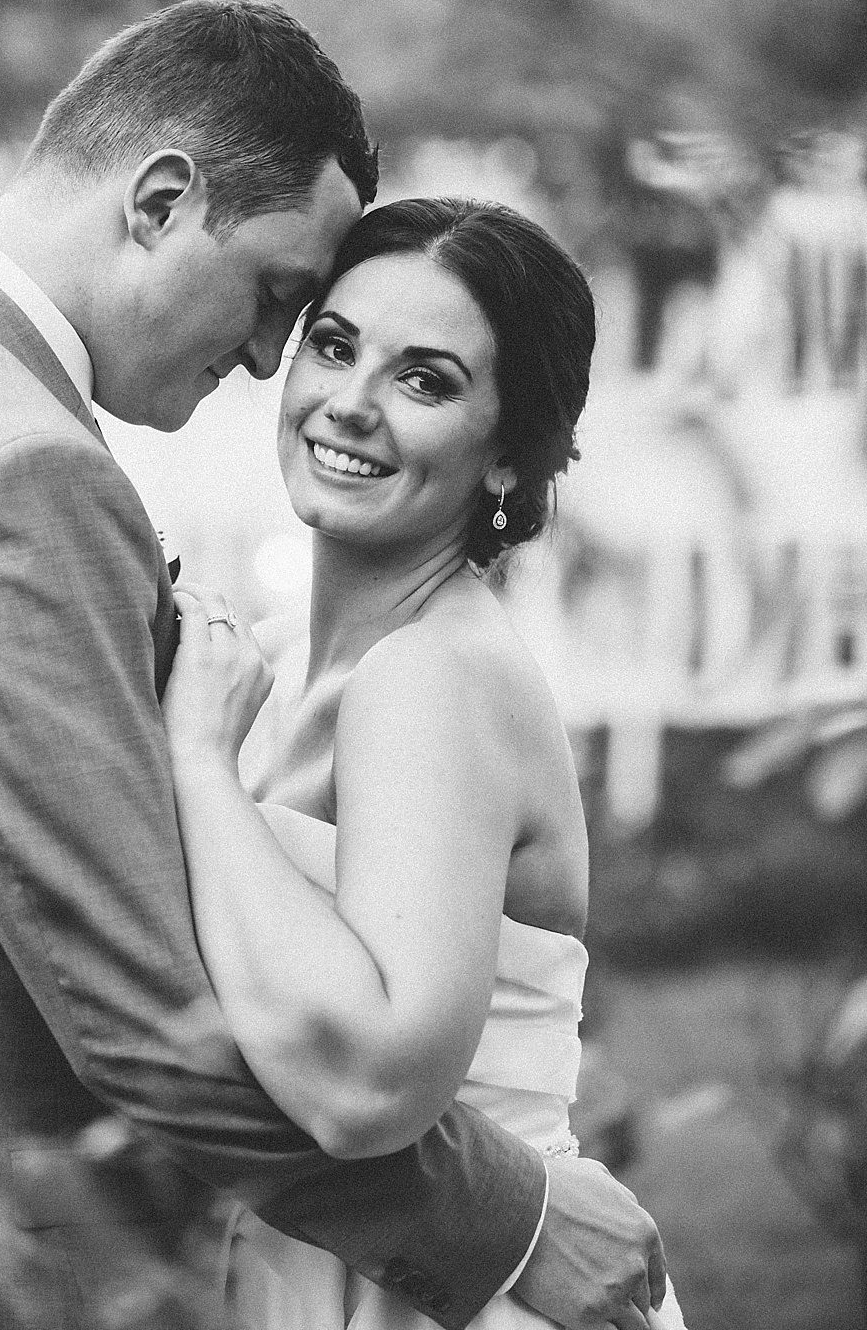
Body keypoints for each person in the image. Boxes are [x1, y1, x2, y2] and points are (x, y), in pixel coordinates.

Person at [0, 0, 662, 1330]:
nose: (265, 360)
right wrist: (512, 1222)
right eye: (284, 301)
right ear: (159, 202)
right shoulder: (14, 474)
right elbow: (138, 1013)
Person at [162, 196, 687, 1330]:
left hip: (460, 1290)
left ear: (508, 454)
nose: (351, 402)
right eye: (334, 345)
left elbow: (369, 1084)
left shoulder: (430, 678)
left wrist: (199, 767)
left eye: (425, 380)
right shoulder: (281, 664)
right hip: (332, 1259)